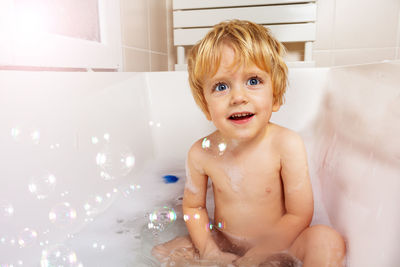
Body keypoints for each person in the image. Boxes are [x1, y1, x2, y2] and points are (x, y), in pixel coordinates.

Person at [152, 19, 346, 267]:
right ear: (206, 105)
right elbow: (194, 208)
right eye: (221, 86)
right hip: (225, 242)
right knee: (166, 251)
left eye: (253, 81)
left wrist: (260, 254)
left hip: (281, 244)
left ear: (275, 96)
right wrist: (210, 250)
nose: (238, 97)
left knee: (327, 240)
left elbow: (299, 215)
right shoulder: (200, 154)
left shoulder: (286, 144)